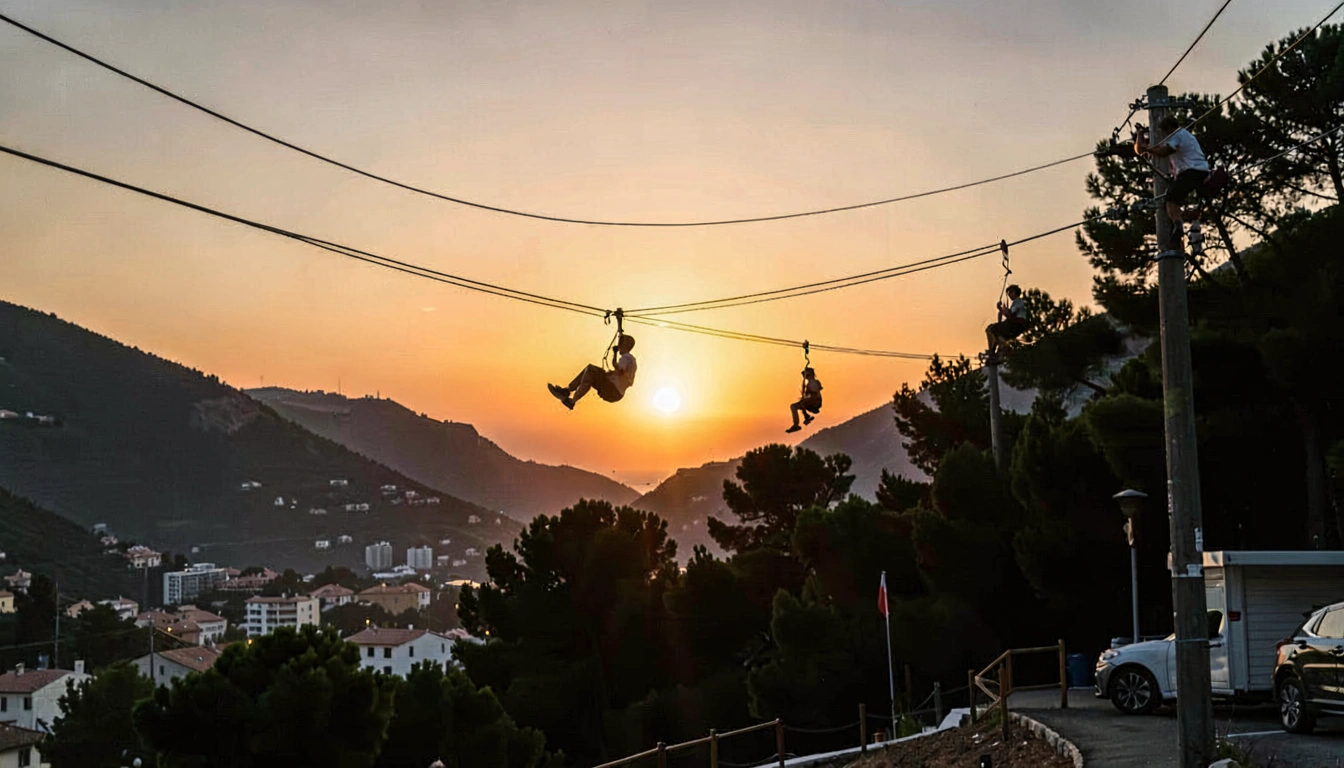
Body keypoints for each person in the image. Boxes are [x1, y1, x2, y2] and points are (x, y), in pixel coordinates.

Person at [1135, 116, 1209, 242]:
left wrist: (1149, 149)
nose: (1164, 135)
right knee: (1176, 199)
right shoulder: (1184, 135)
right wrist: (1140, 134)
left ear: (1169, 128)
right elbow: (1140, 150)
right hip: (1199, 171)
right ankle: (1182, 218)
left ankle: (1178, 225)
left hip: (1192, 172)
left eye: (1164, 131)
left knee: (1170, 199)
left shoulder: (1178, 135)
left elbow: (1164, 152)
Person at [548, 334, 637, 410]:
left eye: (621, 344)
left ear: (625, 345)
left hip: (612, 390)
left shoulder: (627, 357)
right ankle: (568, 393)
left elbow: (619, 370)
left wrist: (614, 353)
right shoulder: (631, 360)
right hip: (615, 393)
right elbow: (621, 375)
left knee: (590, 370)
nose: (619, 346)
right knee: (589, 371)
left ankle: (571, 397)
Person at [985, 284, 1027, 356]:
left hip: (1016, 325)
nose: (1009, 295)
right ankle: (997, 350)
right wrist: (1001, 309)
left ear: (1015, 292)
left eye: (1010, 292)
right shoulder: (1017, 303)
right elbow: (1009, 315)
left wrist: (1000, 308)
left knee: (992, 329)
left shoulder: (1018, 302)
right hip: (1015, 325)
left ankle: (999, 349)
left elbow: (1010, 313)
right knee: (995, 330)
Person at [786, 367, 822, 434]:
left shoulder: (813, 383)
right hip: (812, 403)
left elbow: (815, 394)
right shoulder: (813, 382)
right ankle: (805, 417)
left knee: (794, 406)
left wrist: (806, 398)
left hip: (813, 404)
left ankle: (797, 424)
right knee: (797, 405)